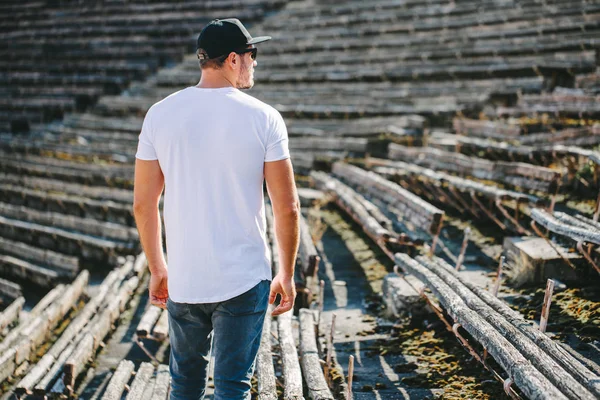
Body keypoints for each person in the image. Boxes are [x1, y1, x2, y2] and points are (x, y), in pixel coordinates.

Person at [132, 18, 300, 400]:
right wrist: (287, 272)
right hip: (244, 278)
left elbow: (144, 203)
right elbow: (287, 206)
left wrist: (158, 268)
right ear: (234, 60)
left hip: (186, 279)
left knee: (185, 386)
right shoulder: (265, 118)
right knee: (231, 388)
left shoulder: (159, 114)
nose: (256, 62)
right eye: (252, 55)